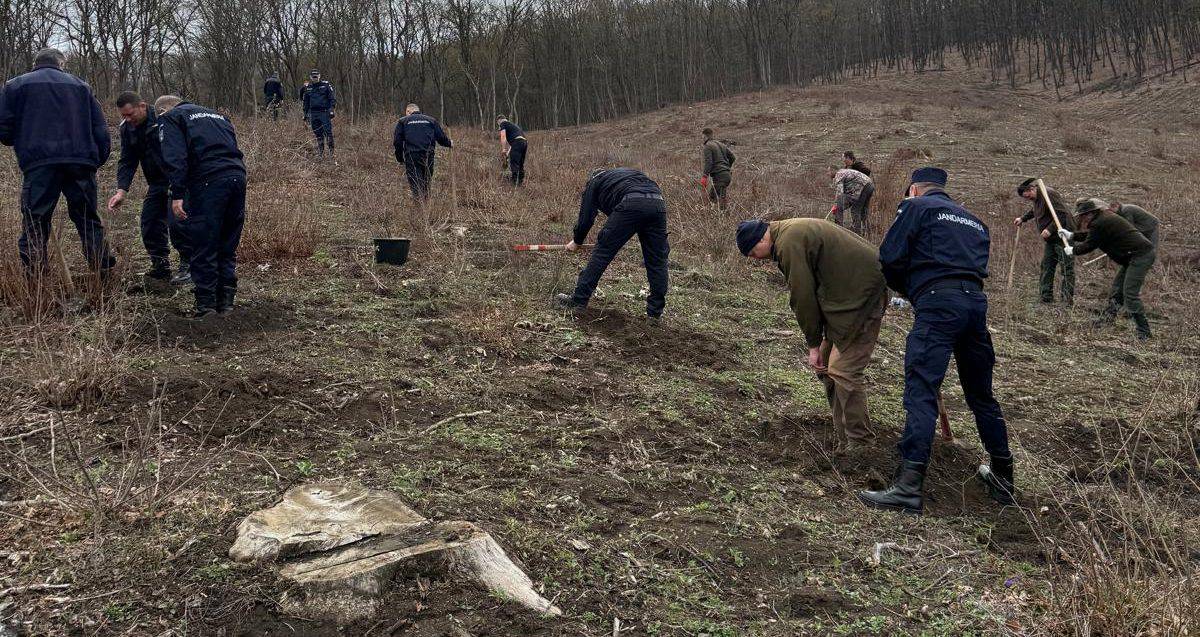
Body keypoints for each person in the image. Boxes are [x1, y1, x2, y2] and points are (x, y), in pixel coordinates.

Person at [860, 167, 1013, 515]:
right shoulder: (975, 222)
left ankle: (908, 487)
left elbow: (889, 257)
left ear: (914, 190)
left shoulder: (915, 208)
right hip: (975, 305)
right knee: (981, 395)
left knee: (921, 390)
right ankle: (1004, 477)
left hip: (937, 303)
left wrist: (913, 291)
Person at [737, 218, 888, 448]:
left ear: (761, 239)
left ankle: (861, 445)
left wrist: (813, 344)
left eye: (751, 252)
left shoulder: (788, 243)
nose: (753, 258)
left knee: (843, 371)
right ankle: (843, 439)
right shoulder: (787, 234)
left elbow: (803, 297)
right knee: (826, 366)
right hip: (846, 295)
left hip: (863, 292)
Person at [0, 47, 115, 276]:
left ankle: (36, 278)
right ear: (60, 64)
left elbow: (3, 127)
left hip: (39, 162)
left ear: (35, 63)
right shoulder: (81, 86)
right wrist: (95, 160)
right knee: (87, 217)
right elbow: (100, 128)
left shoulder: (15, 86)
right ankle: (102, 271)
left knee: (35, 220)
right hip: (80, 162)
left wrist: (24, 142)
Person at [156, 95, 247, 317]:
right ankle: (226, 303)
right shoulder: (218, 116)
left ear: (162, 111)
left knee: (203, 242)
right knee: (227, 243)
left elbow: (175, 157)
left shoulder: (171, 117)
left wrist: (177, 194)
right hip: (237, 177)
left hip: (208, 182)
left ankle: (205, 306)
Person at [555, 168, 670, 319]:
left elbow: (586, 217)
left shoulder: (594, 182)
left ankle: (578, 301)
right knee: (657, 261)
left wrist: (577, 241)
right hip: (658, 204)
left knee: (602, 252)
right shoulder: (625, 176)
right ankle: (654, 314)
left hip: (631, 203)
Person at [107, 91, 191, 284]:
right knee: (149, 222)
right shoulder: (127, 129)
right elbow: (127, 160)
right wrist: (122, 190)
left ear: (142, 106)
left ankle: (189, 265)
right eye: (123, 116)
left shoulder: (166, 118)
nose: (127, 119)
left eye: (130, 114)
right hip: (156, 183)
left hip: (177, 179)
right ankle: (160, 266)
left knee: (178, 223)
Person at [1059, 198, 1156, 340]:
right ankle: (1107, 320)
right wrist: (1072, 235)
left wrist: (1073, 250)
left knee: (1130, 294)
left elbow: (1090, 244)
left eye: (1084, 215)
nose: (1083, 218)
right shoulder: (1103, 219)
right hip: (1133, 256)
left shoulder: (1100, 222)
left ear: (1091, 213)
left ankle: (1144, 332)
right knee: (1117, 289)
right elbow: (1093, 235)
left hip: (1141, 256)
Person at [1014, 177, 1075, 305]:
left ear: (1032, 188)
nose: (1028, 199)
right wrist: (1023, 218)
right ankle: (1045, 297)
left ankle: (1066, 300)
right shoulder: (1037, 198)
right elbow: (1035, 210)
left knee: (1066, 268)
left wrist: (1049, 229)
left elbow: (1062, 214)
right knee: (1047, 265)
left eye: (1028, 196)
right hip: (1051, 239)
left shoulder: (1049, 194)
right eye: (1026, 198)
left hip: (1063, 236)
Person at [393, 104, 452, 200]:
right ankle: (426, 205)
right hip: (428, 155)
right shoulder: (431, 120)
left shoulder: (403, 121)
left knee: (415, 182)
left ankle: (419, 208)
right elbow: (441, 138)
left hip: (412, 156)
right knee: (426, 182)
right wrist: (449, 143)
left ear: (408, 111)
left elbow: (397, 142)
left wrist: (400, 158)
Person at [830, 165, 874, 236]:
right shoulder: (844, 172)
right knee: (863, 211)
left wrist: (836, 205)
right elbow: (846, 192)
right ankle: (867, 232)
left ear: (833, 171)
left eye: (828, 172)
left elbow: (840, 193)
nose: (828, 174)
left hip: (862, 187)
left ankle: (853, 234)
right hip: (870, 185)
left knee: (855, 210)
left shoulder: (838, 175)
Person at [302, 70, 335, 158]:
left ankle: (331, 153)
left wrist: (331, 109)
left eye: (316, 76)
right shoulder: (308, 88)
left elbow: (332, 98)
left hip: (324, 112)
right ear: (310, 77)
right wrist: (305, 114)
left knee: (328, 132)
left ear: (319, 76)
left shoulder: (326, 85)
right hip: (313, 113)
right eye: (313, 76)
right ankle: (321, 153)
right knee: (318, 133)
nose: (315, 78)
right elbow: (306, 102)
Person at [701, 129, 735, 209]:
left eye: (702, 136)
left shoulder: (708, 146)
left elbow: (709, 162)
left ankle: (716, 217)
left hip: (720, 176)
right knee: (721, 198)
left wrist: (704, 176)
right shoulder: (721, 144)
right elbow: (733, 157)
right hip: (727, 176)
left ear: (704, 136)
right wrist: (727, 168)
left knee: (713, 197)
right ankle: (724, 216)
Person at [497, 115, 528, 186]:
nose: (499, 126)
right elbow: (515, 141)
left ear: (499, 120)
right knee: (520, 163)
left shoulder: (503, 123)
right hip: (524, 143)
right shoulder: (514, 126)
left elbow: (503, 136)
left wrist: (503, 149)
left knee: (514, 163)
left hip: (517, 142)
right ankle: (520, 182)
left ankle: (514, 183)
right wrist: (507, 153)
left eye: (498, 124)